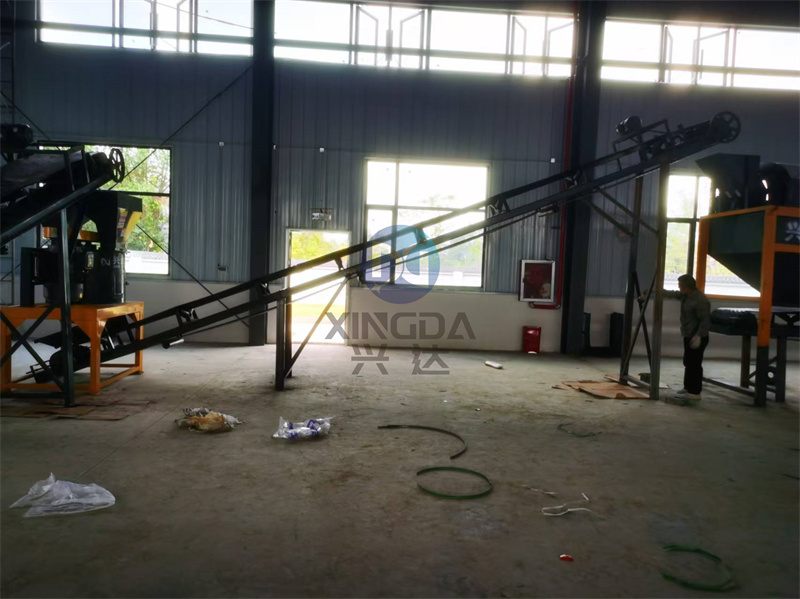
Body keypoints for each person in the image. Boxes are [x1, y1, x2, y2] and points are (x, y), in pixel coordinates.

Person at [674, 274, 711, 401]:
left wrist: (699, 336)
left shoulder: (700, 301)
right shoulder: (686, 295)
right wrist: (653, 291)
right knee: (688, 362)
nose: (678, 288)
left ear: (686, 287)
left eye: (680, 286)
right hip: (689, 334)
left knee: (694, 364)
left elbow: (705, 321)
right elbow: (672, 294)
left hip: (697, 336)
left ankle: (695, 392)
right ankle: (688, 387)